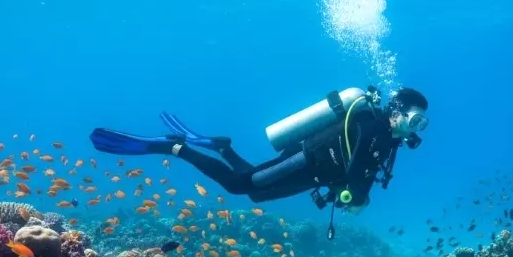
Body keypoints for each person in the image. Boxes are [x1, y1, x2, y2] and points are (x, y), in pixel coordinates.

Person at [89, 86, 428, 237]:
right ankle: (174, 148)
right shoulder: (374, 130)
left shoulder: (388, 138)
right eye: (415, 119)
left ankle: (222, 148)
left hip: (316, 175)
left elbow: (358, 173)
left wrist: (355, 193)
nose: (416, 128)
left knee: (255, 192)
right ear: (397, 112)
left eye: (421, 123)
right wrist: (357, 199)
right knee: (239, 187)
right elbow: (356, 178)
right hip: (305, 161)